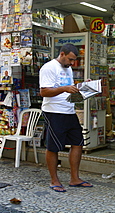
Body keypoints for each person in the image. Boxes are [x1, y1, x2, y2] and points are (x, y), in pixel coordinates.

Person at [39, 43, 93, 192]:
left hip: (69, 110)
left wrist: (81, 87)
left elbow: (67, 89)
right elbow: (44, 92)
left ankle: (75, 178)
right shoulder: (49, 68)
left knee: (78, 142)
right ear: (62, 54)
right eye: (70, 59)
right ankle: (54, 180)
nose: (71, 63)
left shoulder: (67, 68)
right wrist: (64, 88)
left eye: (73, 60)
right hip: (54, 112)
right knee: (53, 146)